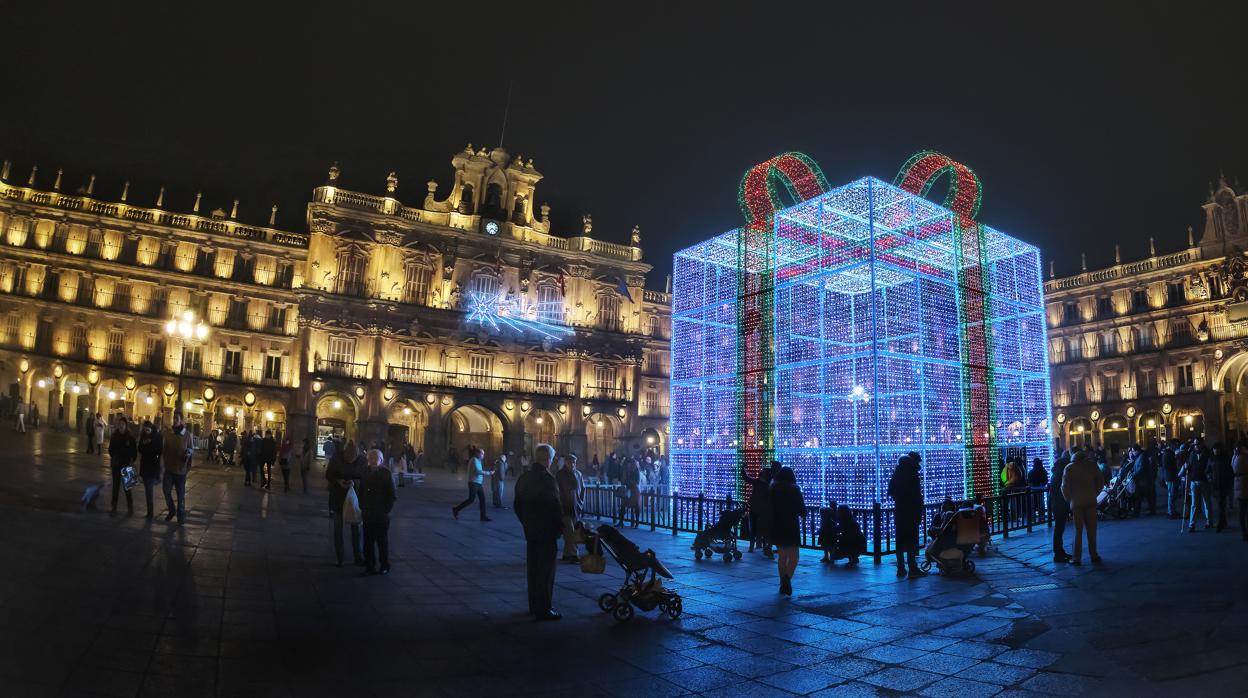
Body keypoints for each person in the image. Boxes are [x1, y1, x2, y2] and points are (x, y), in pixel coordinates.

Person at [514, 443, 563, 621]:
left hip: (531, 531)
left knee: (533, 570)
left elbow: (517, 505)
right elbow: (555, 507)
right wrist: (559, 528)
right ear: (548, 459)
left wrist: (526, 522)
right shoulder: (548, 480)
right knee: (546, 572)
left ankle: (533, 605)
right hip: (547, 533)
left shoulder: (524, 478)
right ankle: (544, 608)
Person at [326, 440, 367, 567]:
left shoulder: (362, 461)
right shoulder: (336, 458)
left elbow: (365, 479)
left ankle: (358, 557)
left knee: (356, 530)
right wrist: (338, 481)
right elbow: (329, 475)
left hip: (355, 499)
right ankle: (340, 557)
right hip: (338, 498)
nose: (350, 461)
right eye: (348, 459)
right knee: (338, 530)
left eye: (352, 459)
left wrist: (354, 482)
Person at [1061, 448, 1103, 565]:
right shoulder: (1092, 466)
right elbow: (1100, 482)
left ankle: (1076, 557)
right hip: (1090, 501)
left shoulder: (1069, 468)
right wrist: (1094, 494)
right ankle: (1094, 555)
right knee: (1092, 530)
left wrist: (1070, 499)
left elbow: (1064, 487)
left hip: (1076, 503)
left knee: (1078, 531)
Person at [888, 452, 926, 577]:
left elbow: (891, 492)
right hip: (911, 512)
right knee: (911, 541)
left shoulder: (897, 474)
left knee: (900, 541)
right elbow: (916, 495)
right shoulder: (913, 475)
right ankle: (913, 568)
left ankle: (900, 568)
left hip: (899, 511)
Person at [359, 448, 396, 576]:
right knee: (367, 542)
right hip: (368, 512)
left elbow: (392, 494)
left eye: (376, 458)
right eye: (371, 458)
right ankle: (370, 566)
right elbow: (361, 490)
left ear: (381, 460)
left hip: (381, 514)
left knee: (382, 542)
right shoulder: (364, 472)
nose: (373, 461)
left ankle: (384, 565)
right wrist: (361, 505)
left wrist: (386, 510)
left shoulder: (386, 473)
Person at [770, 466, 806, 595]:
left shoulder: (773, 489)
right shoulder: (794, 489)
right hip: (791, 525)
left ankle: (782, 584)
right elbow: (802, 509)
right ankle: (786, 580)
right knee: (794, 556)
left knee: (782, 556)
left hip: (777, 525)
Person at [161, 411, 195, 524]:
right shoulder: (169, 433)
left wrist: (187, 461)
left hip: (180, 471)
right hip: (169, 469)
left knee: (180, 496)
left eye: (177, 418)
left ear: (181, 420)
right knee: (166, 490)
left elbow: (190, 450)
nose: (175, 420)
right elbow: (164, 448)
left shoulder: (187, 435)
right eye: (174, 418)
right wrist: (164, 463)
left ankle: (180, 516)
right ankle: (171, 510)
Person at [1179, 438, 1213, 532]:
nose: (1196, 446)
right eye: (1195, 445)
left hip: (1204, 481)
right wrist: (1186, 467)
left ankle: (1209, 521)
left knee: (1206, 502)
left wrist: (1209, 474)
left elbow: (1210, 467)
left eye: (1198, 444)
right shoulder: (1192, 454)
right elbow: (1189, 466)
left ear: (1202, 444)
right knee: (1194, 504)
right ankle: (1192, 524)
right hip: (1194, 481)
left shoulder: (1207, 454)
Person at [556, 453, 585, 563]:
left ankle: (567, 554)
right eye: (570, 462)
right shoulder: (560, 475)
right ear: (566, 463)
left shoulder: (578, 474)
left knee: (572, 533)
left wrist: (581, 504)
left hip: (575, 507)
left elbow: (582, 489)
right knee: (570, 531)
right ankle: (573, 555)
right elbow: (558, 491)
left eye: (574, 463)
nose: (572, 464)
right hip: (565, 508)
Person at [452, 446, 493, 521]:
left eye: (483, 454)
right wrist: (489, 473)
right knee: (471, 499)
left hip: (478, 483)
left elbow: (479, 470)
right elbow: (478, 471)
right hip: (473, 483)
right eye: (482, 454)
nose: (483, 456)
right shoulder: (474, 460)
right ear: (478, 453)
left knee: (482, 499)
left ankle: (483, 516)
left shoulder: (478, 460)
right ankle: (456, 509)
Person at [742, 463, 774, 557]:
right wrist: (743, 469)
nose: (761, 472)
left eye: (763, 472)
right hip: (760, 509)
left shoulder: (762, 483)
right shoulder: (769, 484)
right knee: (758, 528)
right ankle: (758, 546)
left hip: (759, 509)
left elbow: (746, 478)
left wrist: (743, 470)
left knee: (759, 528)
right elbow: (746, 478)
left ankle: (757, 546)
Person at [107, 415, 137, 515]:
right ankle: (114, 507)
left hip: (127, 465)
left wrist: (130, 460)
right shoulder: (114, 435)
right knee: (115, 488)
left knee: (128, 488)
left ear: (126, 425)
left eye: (123, 424)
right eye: (119, 424)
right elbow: (110, 449)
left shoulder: (130, 437)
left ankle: (130, 508)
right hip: (116, 464)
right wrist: (114, 456)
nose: (121, 426)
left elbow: (134, 452)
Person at [136, 419, 163, 520]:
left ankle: (150, 513)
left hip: (153, 467)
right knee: (148, 490)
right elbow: (139, 449)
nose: (146, 432)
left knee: (149, 490)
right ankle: (149, 512)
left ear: (151, 428)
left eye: (148, 430)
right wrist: (144, 443)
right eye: (145, 430)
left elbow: (159, 450)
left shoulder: (157, 437)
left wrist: (149, 444)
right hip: (145, 466)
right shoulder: (143, 437)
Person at [1050, 450, 1073, 563]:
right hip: (1060, 505)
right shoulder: (1062, 473)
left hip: (1057, 504)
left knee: (1059, 529)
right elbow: (1061, 490)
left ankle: (1059, 551)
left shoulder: (1056, 471)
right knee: (1059, 529)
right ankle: (1058, 552)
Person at [1213, 442, 1234, 532]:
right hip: (1215, 485)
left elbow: (1230, 472)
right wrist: (1210, 478)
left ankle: (1220, 524)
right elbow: (1208, 470)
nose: (1216, 451)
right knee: (1220, 505)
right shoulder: (1212, 459)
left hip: (1223, 485)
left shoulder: (1225, 459)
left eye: (1218, 449)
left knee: (1221, 505)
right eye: (1215, 449)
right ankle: (1223, 521)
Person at [619, 457, 642, 528]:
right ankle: (621, 521)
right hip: (629, 489)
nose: (628, 465)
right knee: (623, 505)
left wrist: (628, 482)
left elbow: (637, 481)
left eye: (629, 464)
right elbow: (624, 479)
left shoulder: (636, 471)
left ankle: (637, 523)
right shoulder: (627, 471)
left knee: (636, 506)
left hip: (634, 490)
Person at [1161, 442, 1181, 518]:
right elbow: (1168, 466)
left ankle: (1172, 510)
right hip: (1171, 477)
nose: (1176, 447)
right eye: (1175, 445)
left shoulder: (1168, 453)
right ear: (1171, 445)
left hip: (1171, 476)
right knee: (1171, 494)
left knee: (1172, 494)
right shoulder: (1167, 454)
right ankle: (1171, 511)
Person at [1233, 437, 1248, 541]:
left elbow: (1233, 467)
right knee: (1244, 510)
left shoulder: (1235, 456)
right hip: (1244, 483)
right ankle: (1244, 531)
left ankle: (1244, 531)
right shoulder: (1244, 456)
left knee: (1242, 510)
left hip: (1238, 483)